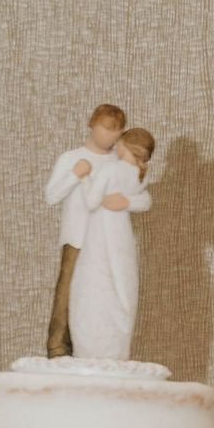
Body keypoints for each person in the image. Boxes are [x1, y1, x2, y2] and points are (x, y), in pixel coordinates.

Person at [44, 100, 127, 357]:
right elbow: (51, 196)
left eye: (117, 130)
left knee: (105, 294)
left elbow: (132, 192)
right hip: (78, 238)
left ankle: (98, 348)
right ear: (92, 125)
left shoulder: (118, 161)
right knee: (67, 291)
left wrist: (127, 200)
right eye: (106, 128)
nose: (111, 135)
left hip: (109, 241)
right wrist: (75, 175)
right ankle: (58, 347)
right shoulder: (71, 158)